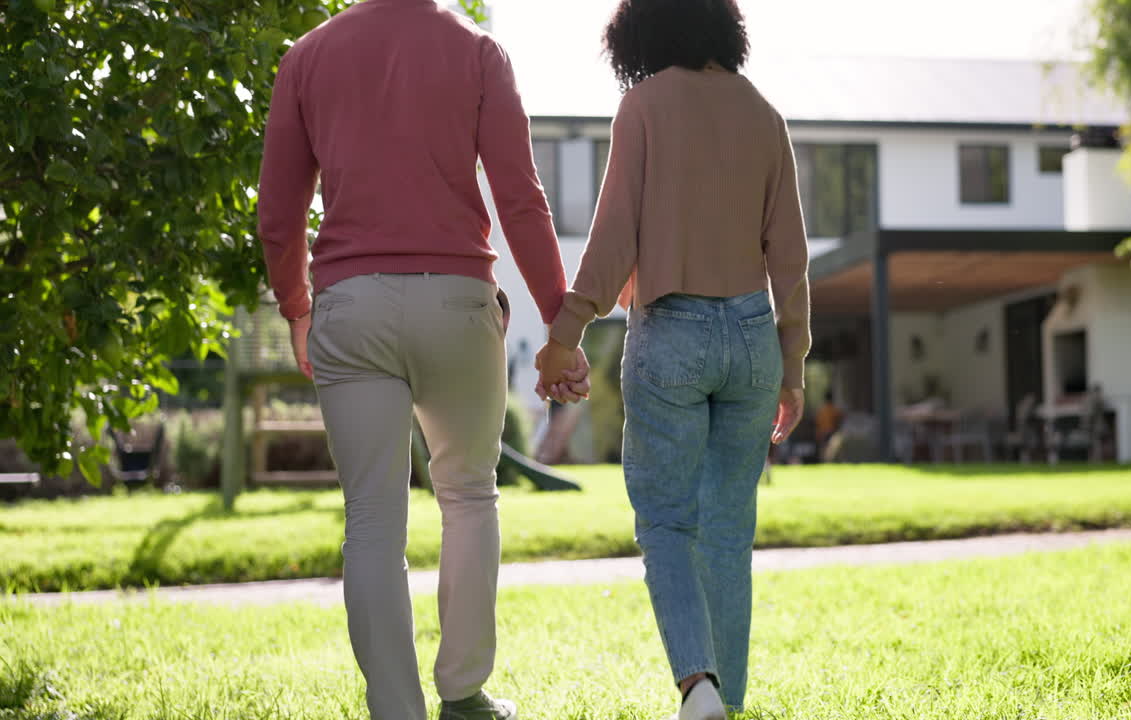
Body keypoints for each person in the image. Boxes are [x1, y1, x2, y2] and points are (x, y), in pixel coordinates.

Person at [258, 2, 588, 718]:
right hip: (458, 303)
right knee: (468, 496)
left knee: (372, 521)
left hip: (350, 305)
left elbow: (279, 216)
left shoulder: (307, 56)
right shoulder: (479, 52)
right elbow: (520, 198)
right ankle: (463, 694)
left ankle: (396, 710)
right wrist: (560, 324)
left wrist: (296, 308)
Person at [535, 1, 810, 717]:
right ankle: (726, 702)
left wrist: (565, 332)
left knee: (665, 522)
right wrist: (794, 369)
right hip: (752, 337)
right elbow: (790, 258)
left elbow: (613, 235)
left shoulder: (644, 105)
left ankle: (699, 686)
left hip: (671, 333)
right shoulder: (765, 115)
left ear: (643, 30)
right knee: (729, 532)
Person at [815, 391, 845, 456]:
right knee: (832, 449)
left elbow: (817, 423)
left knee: (824, 449)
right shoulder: (835, 410)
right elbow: (840, 419)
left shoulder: (821, 410)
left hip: (823, 433)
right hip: (831, 432)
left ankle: (824, 458)